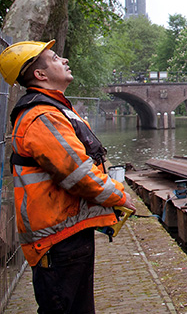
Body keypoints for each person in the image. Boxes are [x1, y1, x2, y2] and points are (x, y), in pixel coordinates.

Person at [0, 40, 135, 313]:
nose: (64, 60)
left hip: (67, 234)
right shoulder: (42, 116)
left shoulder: (54, 109)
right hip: (57, 241)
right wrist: (120, 195)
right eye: (54, 58)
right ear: (40, 75)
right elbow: (79, 174)